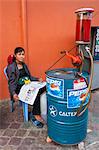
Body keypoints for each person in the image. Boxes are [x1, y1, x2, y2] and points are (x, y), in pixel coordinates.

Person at [6, 47, 46, 128]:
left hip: (28, 84)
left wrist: (37, 79)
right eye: (19, 54)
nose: (21, 56)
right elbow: (11, 82)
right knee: (36, 92)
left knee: (44, 86)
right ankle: (35, 115)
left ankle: (38, 108)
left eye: (23, 54)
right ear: (15, 55)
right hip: (19, 88)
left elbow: (29, 77)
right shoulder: (12, 67)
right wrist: (13, 94)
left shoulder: (24, 65)